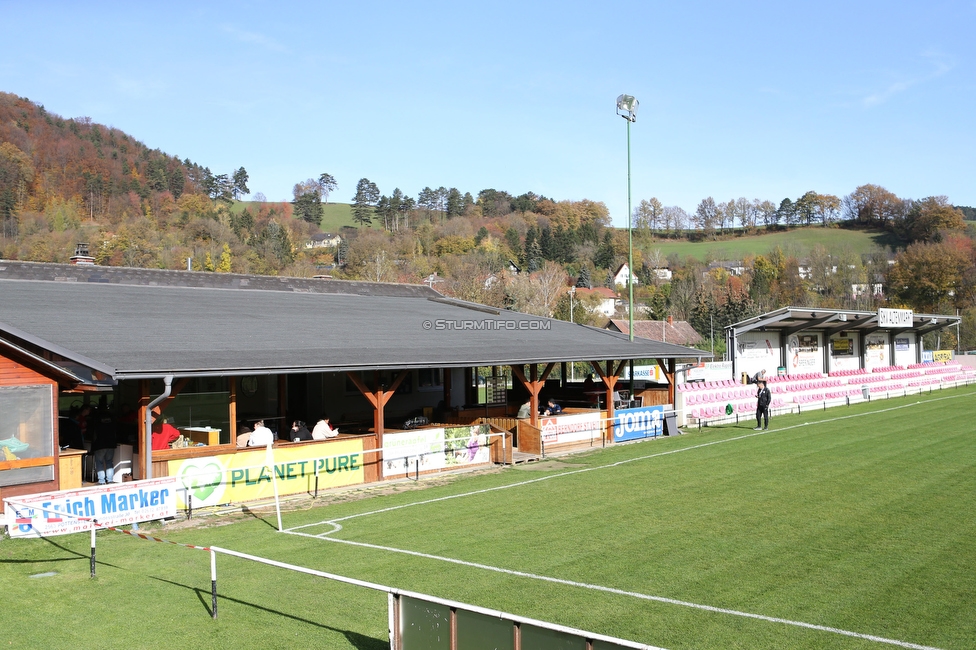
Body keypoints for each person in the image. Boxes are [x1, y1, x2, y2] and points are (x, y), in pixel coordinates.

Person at [90, 409, 117, 484]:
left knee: (99, 462)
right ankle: (110, 480)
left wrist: (93, 445)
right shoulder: (112, 420)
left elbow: (94, 433)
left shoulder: (96, 420)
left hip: (100, 444)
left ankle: (101, 481)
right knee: (109, 462)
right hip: (111, 444)